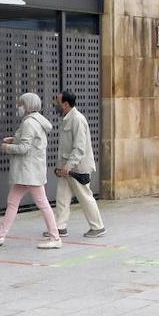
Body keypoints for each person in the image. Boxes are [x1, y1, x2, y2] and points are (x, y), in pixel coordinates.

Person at [0, 92, 61, 249]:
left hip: (29, 171)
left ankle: (55, 237)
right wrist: (14, 140)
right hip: (28, 171)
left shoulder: (29, 123)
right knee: (13, 201)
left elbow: (25, 148)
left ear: (27, 106)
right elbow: (30, 142)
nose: (19, 107)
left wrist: (7, 147)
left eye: (21, 104)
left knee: (42, 203)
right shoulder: (35, 121)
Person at [48, 91, 106, 238]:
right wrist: (63, 166)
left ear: (65, 104)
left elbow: (79, 148)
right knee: (62, 197)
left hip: (77, 169)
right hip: (66, 168)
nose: (56, 106)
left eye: (58, 103)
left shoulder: (77, 120)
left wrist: (68, 166)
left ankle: (98, 227)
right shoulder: (67, 119)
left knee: (85, 197)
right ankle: (60, 227)